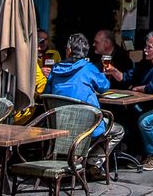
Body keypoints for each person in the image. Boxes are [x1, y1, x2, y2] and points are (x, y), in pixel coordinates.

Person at [46, 33, 124, 178]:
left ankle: (76, 157)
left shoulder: (55, 70)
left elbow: (47, 93)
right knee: (118, 130)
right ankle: (92, 162)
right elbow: (104, 86)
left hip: (58, 125)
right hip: (86, 127)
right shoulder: (88, 68)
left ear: (68, 51)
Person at [106, 31, 153, 171]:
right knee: (125, 115)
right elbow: (127, 78)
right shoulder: (144, 64)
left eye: (148, 47)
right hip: (143, 104)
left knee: (144, 121)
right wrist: (113, 70)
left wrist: (139, 88)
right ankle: (136, 151)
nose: (145, 50)